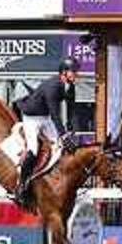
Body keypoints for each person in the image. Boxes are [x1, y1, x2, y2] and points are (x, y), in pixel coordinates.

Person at [14, 57, 80, 201]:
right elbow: (56, 114)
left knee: (58, 147)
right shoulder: (53, 86)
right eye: (73, 71)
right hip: (31, 117)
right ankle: (21, 185)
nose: (76, 74)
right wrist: (63, 135)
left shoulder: (71, 86)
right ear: (64, 73)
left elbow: (72, 110)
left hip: (45, 116)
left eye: (76, 71)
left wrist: (73, 130)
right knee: (33, 149)